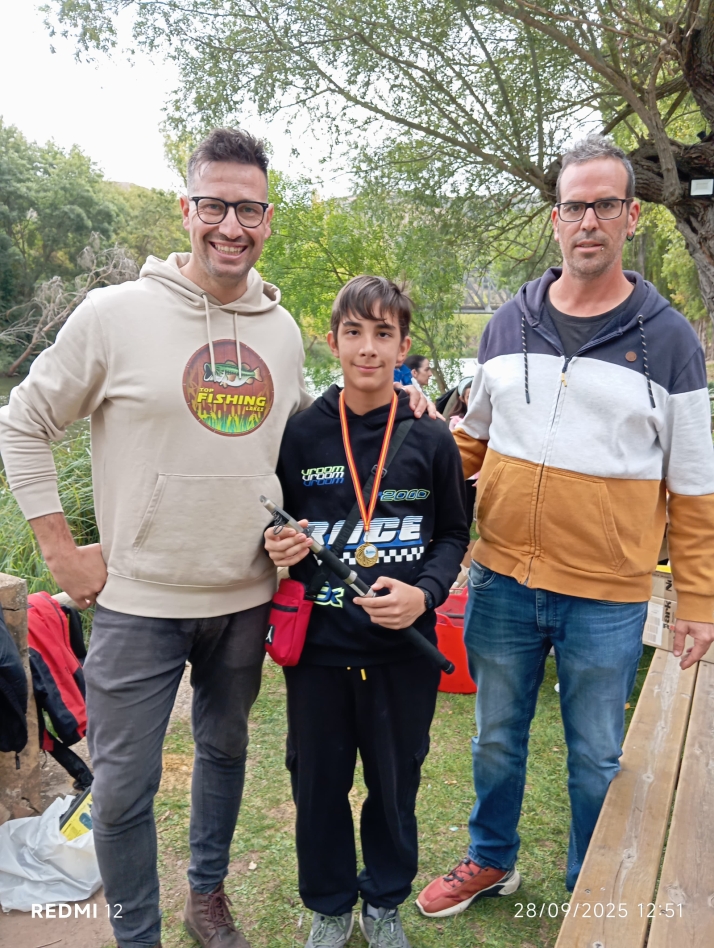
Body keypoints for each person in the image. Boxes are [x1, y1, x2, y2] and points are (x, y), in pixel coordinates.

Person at [0, 128, 430, 948]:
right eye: (215, 205)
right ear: (187, 208)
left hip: (244, 599)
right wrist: (59, 550)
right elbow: (23, 424)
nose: (231, 225)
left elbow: (310, 438)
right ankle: (138, 934)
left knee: (224, 755)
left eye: (249, 209)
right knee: (124, 788)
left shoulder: (279, 328)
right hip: (135, 600)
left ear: (268, 218)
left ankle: (207, 895)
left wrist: (399, 398)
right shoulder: (114, 315)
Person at [417, 134, 714, 918]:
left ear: (631, 216)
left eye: (604, 205)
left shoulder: (673, 343)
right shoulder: (506, 326)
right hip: (503, 578)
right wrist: (414, 441)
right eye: (574, 205)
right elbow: (471, 442)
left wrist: (699, 601)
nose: (589, 221)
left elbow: (694, 487)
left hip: (607, 596)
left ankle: (592, 880)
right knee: (493, 739)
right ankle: (491, 859)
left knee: (595, 757)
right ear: (556, 219)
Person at [264, 275, 470, 948]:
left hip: (400, 652)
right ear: (334, 341)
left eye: (384, 334)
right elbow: (281, 531)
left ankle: (383, 902)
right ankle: (328, 907)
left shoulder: (429, 435)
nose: (368, 349)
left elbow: (452, 535)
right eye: (355, 332)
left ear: (404, 346)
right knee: (318, 786)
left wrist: (426, 594)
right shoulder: (300, 434)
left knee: (394, 783)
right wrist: (281, 544)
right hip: (320, 651)